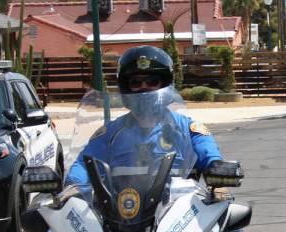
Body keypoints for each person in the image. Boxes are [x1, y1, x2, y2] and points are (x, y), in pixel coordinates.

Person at [64, 45, 223, 186]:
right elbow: (84, 164)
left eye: (152, 81)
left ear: (165, 85)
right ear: (127, 88)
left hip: (177, 214)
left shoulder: (188, 129)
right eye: (136, 83)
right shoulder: (110, 134)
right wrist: (73, 186)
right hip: (120, 214)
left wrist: (216, 167)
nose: (144, 88)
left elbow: (210, 154)